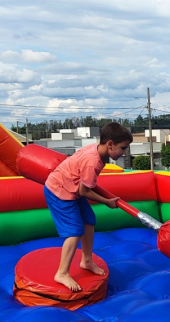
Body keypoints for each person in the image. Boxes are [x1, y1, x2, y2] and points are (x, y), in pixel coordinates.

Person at [44, 123, 132, 291]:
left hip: (72, 188)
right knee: (74, 231)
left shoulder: (97, 150)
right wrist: (107, 202)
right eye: (123, 148)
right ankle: (62, 273)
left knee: (89, 220)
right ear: (110, 144)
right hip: (59, 191)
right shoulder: (93, 162)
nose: (124, 152)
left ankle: (86, 261)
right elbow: (84, 191)